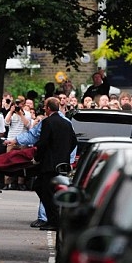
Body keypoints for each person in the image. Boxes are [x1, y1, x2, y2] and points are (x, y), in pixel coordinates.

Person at [33, 96, 78, 231]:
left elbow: (44, 142)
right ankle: (54, 220)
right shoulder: (66, 123)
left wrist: (37, 157)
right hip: (61, 164)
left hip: (49, 165)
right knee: (45, 189)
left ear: (48, 108)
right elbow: (74, 141)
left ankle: (53, 221)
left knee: (45, 191)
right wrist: (64, 154)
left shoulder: (48, 122)